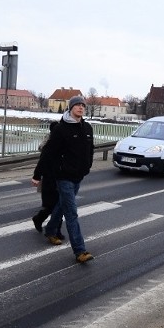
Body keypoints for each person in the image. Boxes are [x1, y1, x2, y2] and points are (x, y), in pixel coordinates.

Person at [39, 96, 95, 263]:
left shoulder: (87, 128)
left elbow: (90, 149)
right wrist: (37, 174)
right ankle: (80, 251)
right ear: (70, 108)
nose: (80, 107)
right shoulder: (61, 129)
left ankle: (50, 230)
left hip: (78, 175)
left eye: (82, 105)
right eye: (77, 105)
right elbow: (48, 152)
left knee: (62, 205)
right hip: (63, 176)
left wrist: (88, 165)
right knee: (71, 213)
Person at [31, 121, 63, 239]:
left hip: (60, 177)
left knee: (60, 206)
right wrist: (37, 176)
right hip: (49, 179)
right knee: (51, 206)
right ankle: (38, 219)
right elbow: (42, 162)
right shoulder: (49, 144)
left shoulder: (62, 142)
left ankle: (57, 231)